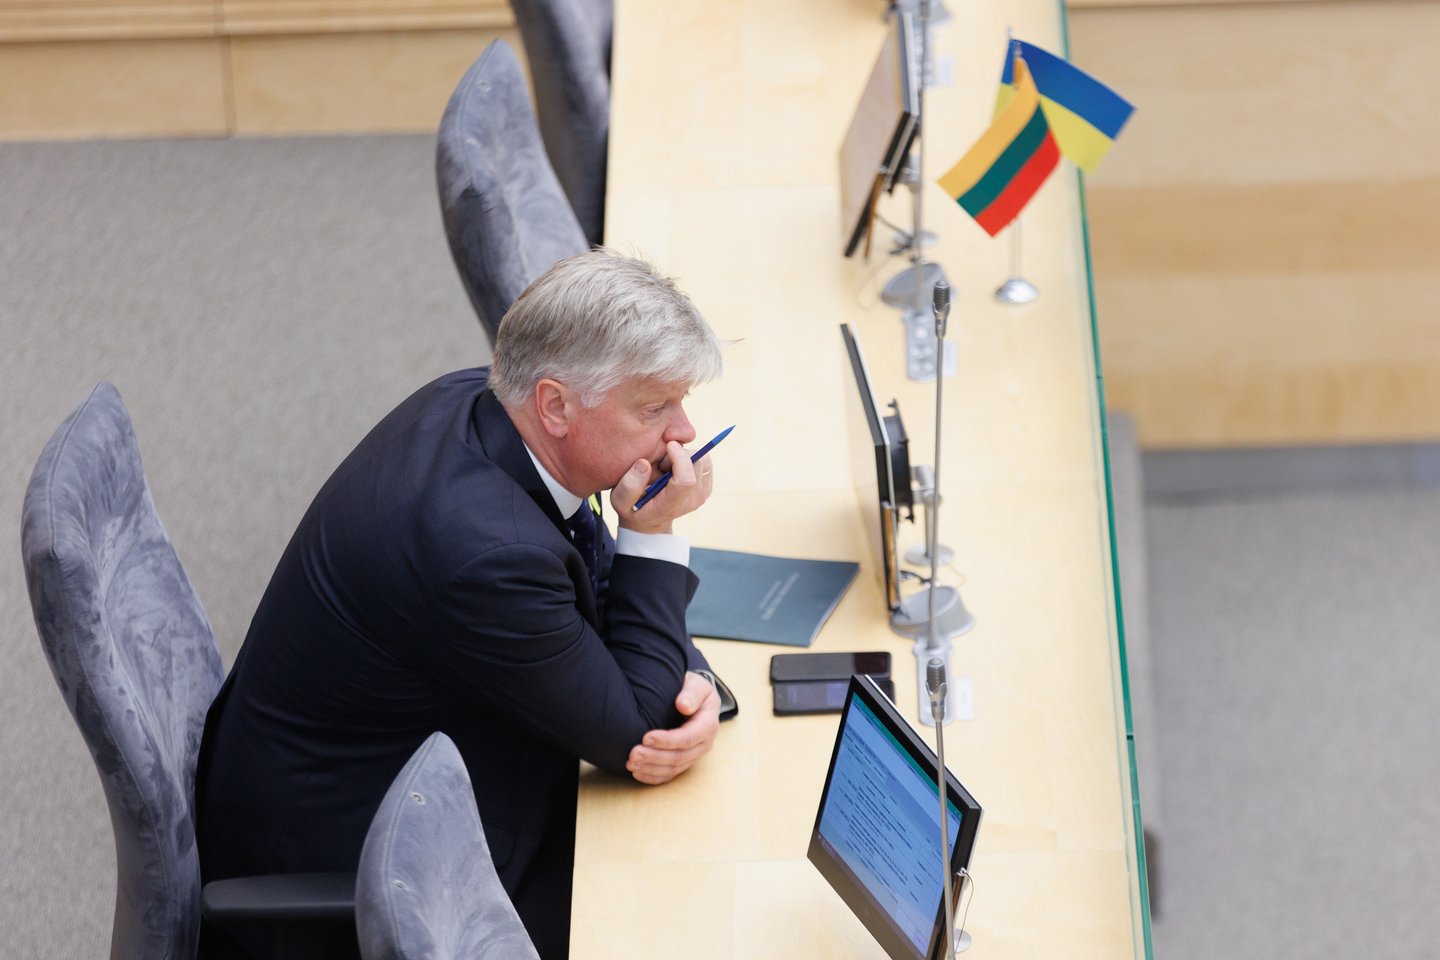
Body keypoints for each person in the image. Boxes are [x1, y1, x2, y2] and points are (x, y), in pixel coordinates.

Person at [196, 250, 727, 959]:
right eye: (654, 407)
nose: (683, 432)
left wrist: (685, 674)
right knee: (676, 914)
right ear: (556, 405)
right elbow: (638, 734)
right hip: (364, 864)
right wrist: (654, 535)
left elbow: (592, 580)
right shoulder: (486, 552)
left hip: (413, 756)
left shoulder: (484, 406)